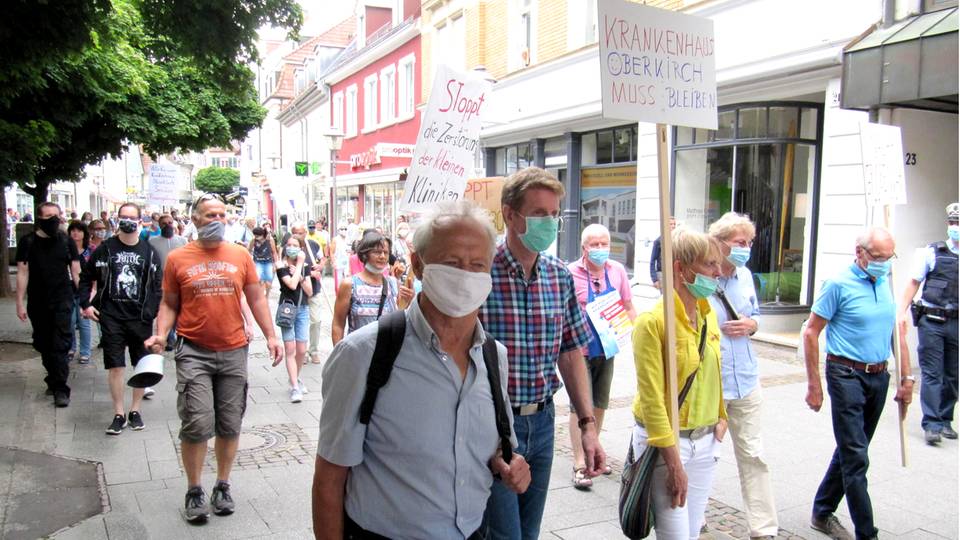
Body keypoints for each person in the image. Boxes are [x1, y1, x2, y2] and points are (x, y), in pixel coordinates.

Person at [312, 200, 530, 539]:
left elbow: (490, 451)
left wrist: (507, 466)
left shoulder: (493, 357)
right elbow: (329, 479)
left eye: (478, 265)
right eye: (452, 263)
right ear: (418, 263)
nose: (466, 276)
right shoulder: (363, 354)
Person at [479, 167, 605, 539]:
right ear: (510, 214)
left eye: (554, 215)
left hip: (543, 422)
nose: (549, 223)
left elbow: (570, 351)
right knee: (504, 535)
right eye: (539, 214)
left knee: (528, 533)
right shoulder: (482, 272)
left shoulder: (558, 275)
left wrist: (587, 425)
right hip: (494, 426)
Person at [144, 193, 282, 523]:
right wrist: (162, 333)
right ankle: (194, 489)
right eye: (209, 215)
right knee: (196, 423)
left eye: (222, 214)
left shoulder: (240, 254)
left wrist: (272, 335)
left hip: (234, 350)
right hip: (194, 351)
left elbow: (257, 299)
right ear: (194, 219)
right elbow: (169, 304)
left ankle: (223, 485)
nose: (217, 219)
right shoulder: (178, 258)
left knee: (230, 422)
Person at [803, 227, 914, 540]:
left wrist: (907, 378)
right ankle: (868, 534)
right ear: (860, 252)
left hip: (879, 376)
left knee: (852, 449)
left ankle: (822, 511)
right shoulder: (837, 284)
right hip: (845, 374)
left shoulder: (886, 282)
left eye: (889, 257)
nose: (884, 263)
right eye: (878, 257)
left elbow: (897, 332)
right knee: (856, 457)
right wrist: (814, 385)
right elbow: (811, 332)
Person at [632, 227, 727, 539]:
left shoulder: (707, 314)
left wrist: (722, 414)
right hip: (666, 444)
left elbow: (712, 370)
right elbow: (652, 399)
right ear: (680, 269)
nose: (718, 272)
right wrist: (673, 463)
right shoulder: (653, 322)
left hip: (705, 439)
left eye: (718, 264)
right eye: (709, 264)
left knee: (692, 533)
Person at [707, 212, 778, 539]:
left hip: (746, 379)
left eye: (748, 242)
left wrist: (752, 325)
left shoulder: (746, 276)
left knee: (753, 454)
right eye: (739, 243)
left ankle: (764, 529)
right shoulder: (700, 276)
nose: (746, 248)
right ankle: (695, 514)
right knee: (703, 454)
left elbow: (755, 315)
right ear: (719, 243)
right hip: (711, 382)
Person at [79, 203, 162, 435]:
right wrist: (85, 304)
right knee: (115, 365)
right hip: (112, 317)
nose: (127, 221)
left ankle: (135, 410)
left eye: (131, 217)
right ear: (117, 219)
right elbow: (86, 277)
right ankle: (118, 413)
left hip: (139, 319)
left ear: (139, 221)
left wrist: (150, 312)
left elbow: (157, 287)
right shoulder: (105, 249)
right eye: (123, 217)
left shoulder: (149, 251)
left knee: (141, 365)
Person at [565, 223, 636, 489]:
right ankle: (579, 462)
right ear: (584, 247)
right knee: (579, 405)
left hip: (607, 348)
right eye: (594, 244)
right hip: (579, 349)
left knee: (599, 403)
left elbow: (628, 306)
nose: (599, 249)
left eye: (603, 243)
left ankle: (594, 450)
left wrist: (628, 330)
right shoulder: (570, 273)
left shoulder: (616, 271)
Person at [898, 202, 959, 445]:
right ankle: (932, 423)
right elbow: (914, 282)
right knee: (933, 373)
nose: (955, 227)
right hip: (932, 321)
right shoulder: (931, 252)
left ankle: (945, 419)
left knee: (953, 375)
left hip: (956, 323)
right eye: (953, 223)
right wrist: (901, 311)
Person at [16, 202, 81, 407]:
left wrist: (84, 300)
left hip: (62, 299)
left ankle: (61, 388)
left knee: (61, 344)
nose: (54, 220)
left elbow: (76, 271)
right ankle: (53, 378)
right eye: (49, 216)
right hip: (38, 301)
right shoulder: (27, 242)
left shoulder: (66, 241)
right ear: (40, 219)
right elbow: (22, 272)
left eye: (57, 215)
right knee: (43, 344)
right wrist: (19, 302)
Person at [331, 230, 414, 345]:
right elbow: (338, 324)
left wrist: (407, 302)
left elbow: (399, 320)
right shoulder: (350, 284)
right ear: (365, 254)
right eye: (377, 252)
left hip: (385, 355)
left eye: (386, 252)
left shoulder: (393, 283)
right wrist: (339, 356)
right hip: (357, 354)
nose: (382, 256)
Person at [276, 235, 313, 403]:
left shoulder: (305, 266)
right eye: (289, 244)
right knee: (290, 349)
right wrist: (298, 265)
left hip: (303, 309)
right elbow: (290, 284)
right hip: (287, 309)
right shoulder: (280, 265)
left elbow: (309, 291)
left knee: (301, 350)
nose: (291, 247)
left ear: (301, 248)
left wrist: (302, 274)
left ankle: (295, 378)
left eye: (295, 245)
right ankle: (294, 386)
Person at [149, 214, 187, 351]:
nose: (168, 225)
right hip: (160, 281)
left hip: (180, 281)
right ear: (159, 225)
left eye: (170, 222)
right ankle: (169, 338)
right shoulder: (152, 241)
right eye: (164, 223)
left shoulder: (182, 241)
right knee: (165, 308)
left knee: (180, 309)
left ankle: (179, 334)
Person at [289, 222, 327, 364]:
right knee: (301, 322)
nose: (297, 235)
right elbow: (290, 269)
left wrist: (321, 265)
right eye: (295, 232)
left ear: (305, 233)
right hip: (299, 292)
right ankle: (302, 351)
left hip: (314, 289)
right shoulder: (291, 248)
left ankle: (314, 350)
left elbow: (323, 258)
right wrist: (311, 273)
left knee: (316, 320)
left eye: (300, 232)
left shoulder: (313, 245)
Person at [68, 221, 94, 365]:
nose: (75, 233)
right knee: (69, 321)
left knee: (84, 322)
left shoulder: (90, 251)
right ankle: (71, 347)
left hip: (85, 291)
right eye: (73, 230)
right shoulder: (65, 249)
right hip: (68, 290)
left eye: (79, 231)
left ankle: (85, 352)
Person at [248, 226, 279, 299]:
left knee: (268, 281)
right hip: (257, 261)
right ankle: (261, 296)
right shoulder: (253, 240)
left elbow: (274, 252)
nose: (256, 237)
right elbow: (249, 250)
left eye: (258, 235)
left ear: (262, 234)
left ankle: (267, 296)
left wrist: (275, 263)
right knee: (259, 280)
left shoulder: (269, 240)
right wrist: (250, 260)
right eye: (255, 235)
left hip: (268, 261)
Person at [650, 216, 677, 291]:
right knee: (665, 298)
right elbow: (652, 261)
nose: (673, 226)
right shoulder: (658, 241)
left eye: (674, 224)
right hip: (662, 274)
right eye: (671, 224)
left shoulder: (677, 241)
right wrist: (655, 279)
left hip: (675, 273)